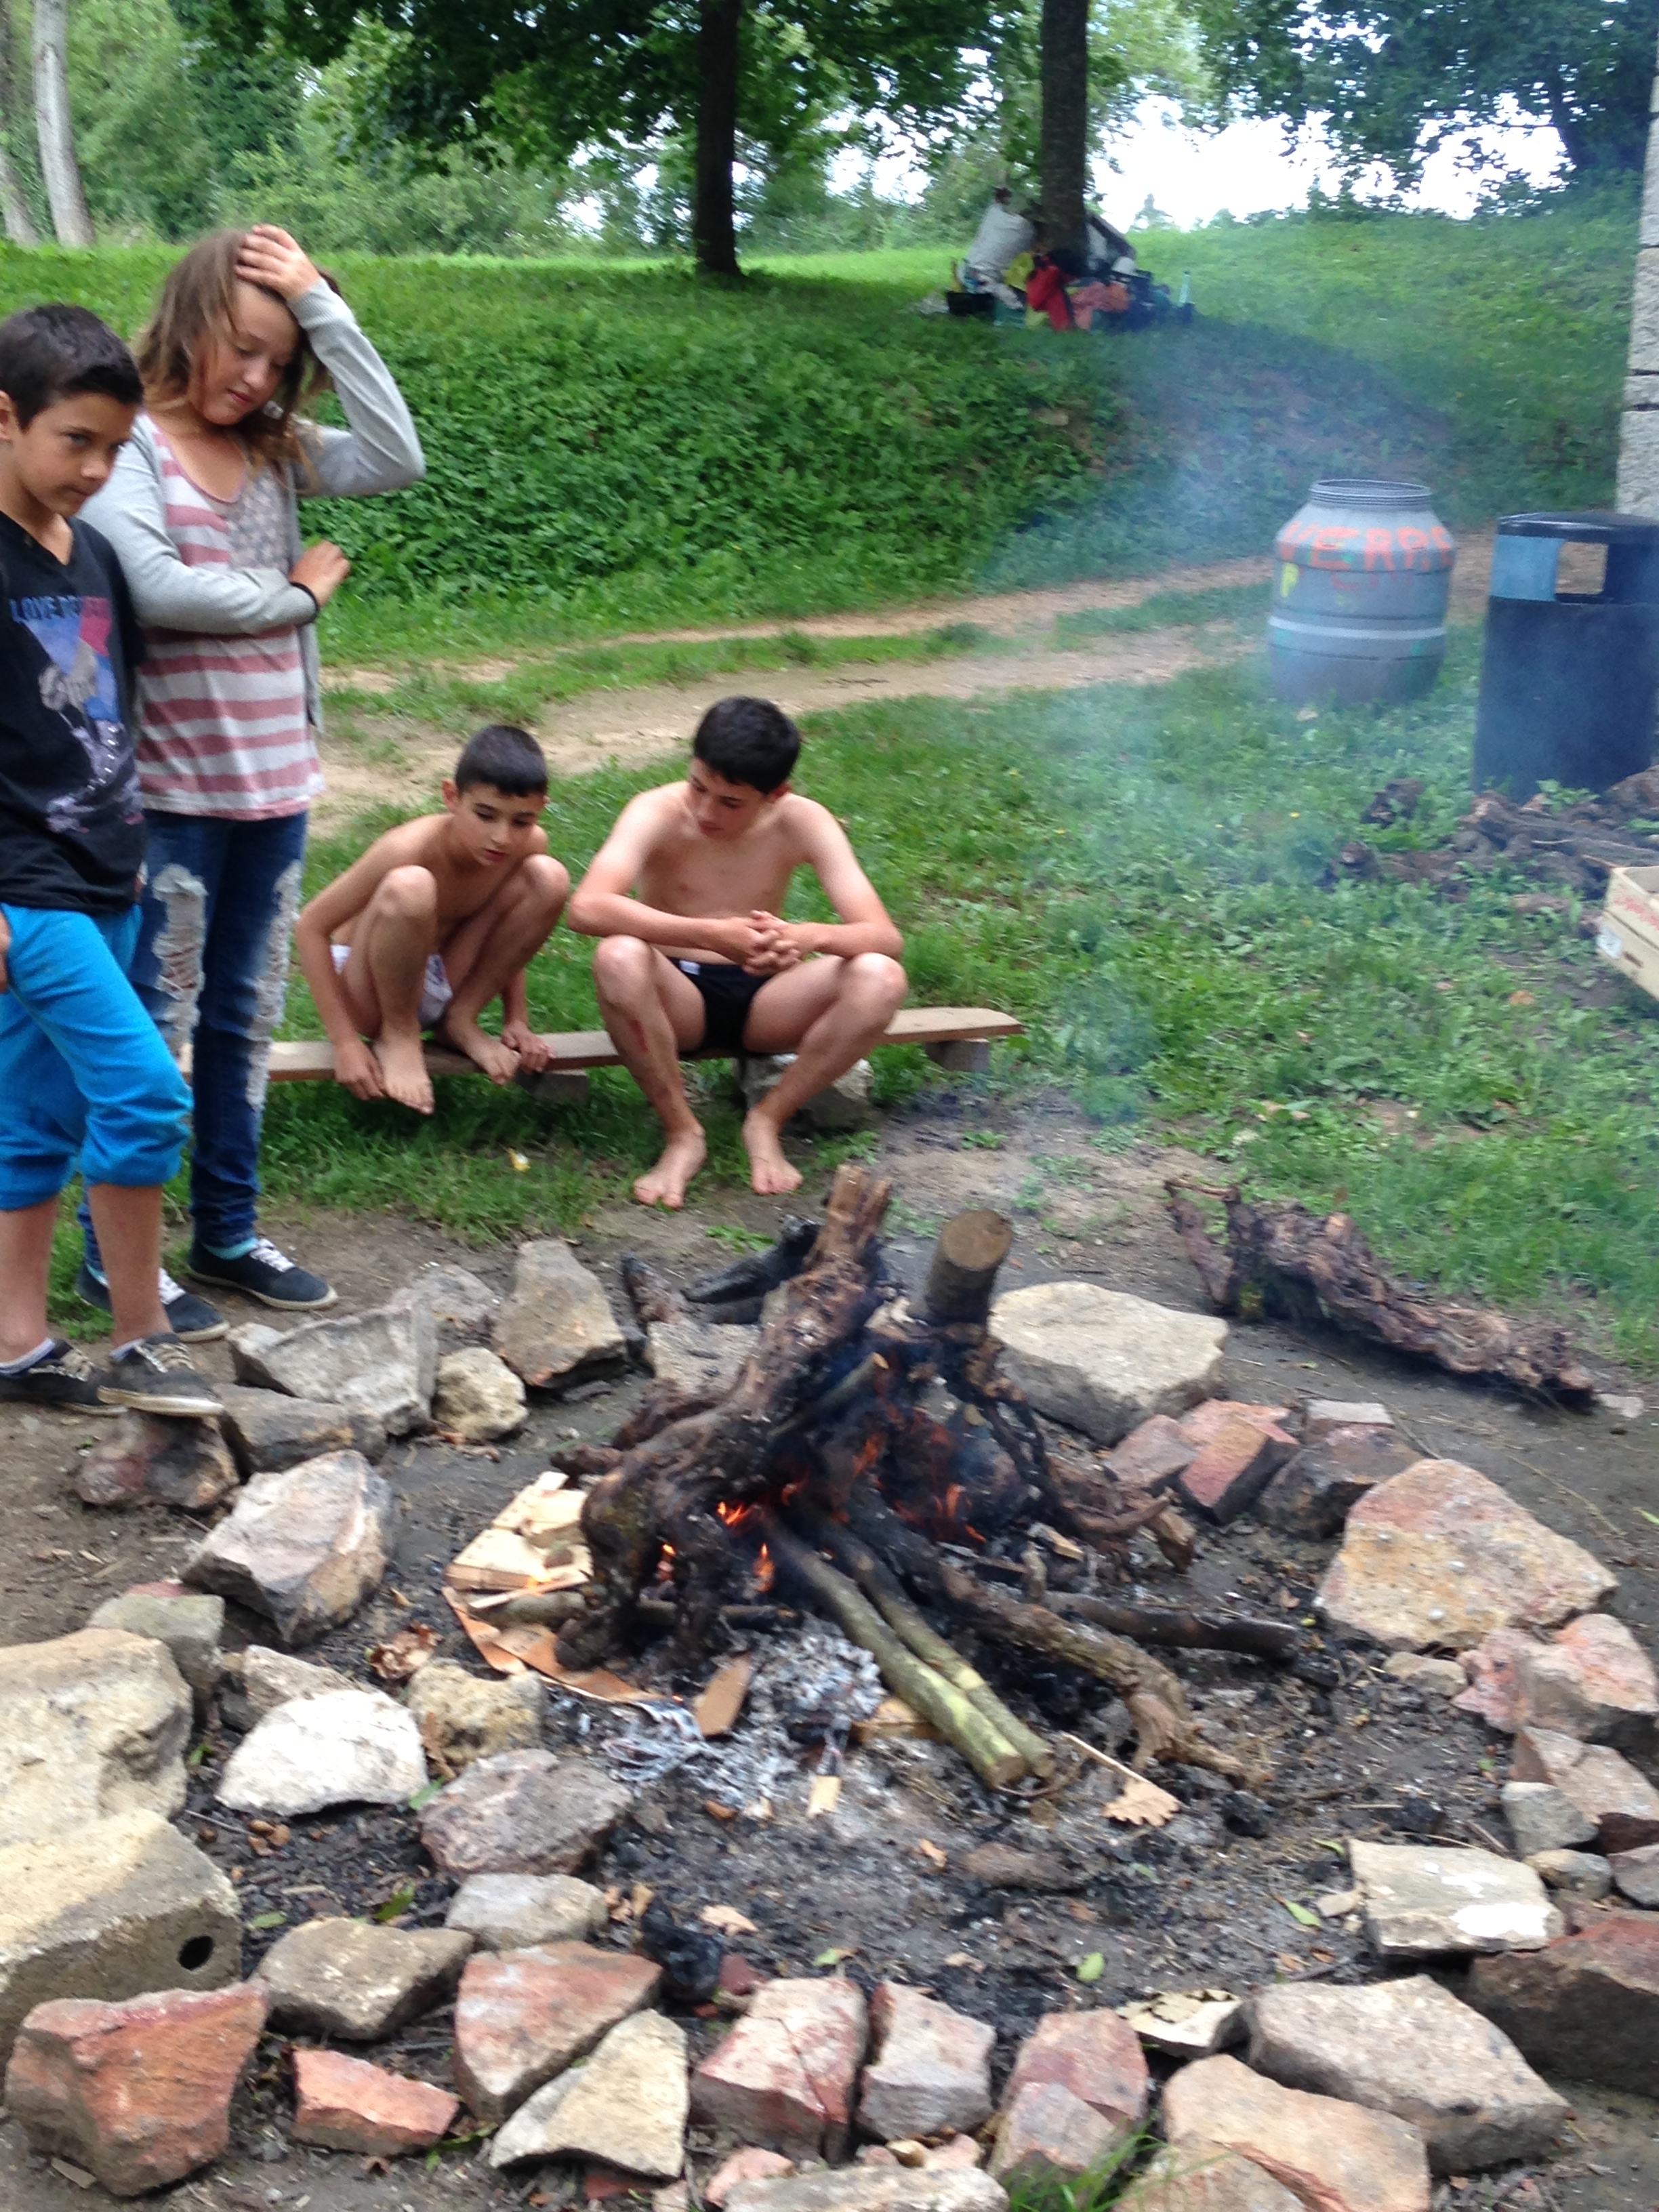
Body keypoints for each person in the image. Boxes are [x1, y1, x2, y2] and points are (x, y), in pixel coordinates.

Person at [77, 224, 425, 1327]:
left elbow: (398, 455)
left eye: (280, 359)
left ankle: (227, 1231)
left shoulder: (278, 446)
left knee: (241, 1017)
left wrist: (326, 305)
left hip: (275, 793)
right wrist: (297, 596)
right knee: (155, 1025)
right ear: (189, 321)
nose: (255, 377)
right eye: (241, 347)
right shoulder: (127, 444)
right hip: (168, 802)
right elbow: (158, 585)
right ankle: (109, 1254)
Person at [0, 304, 222, 1418]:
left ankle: (16, 1340)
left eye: (113, 448)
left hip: (105, 873)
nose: (93, 468)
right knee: (142, 1097)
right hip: (23, 891)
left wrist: (126, 844)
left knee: (32, 1113)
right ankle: (141, 1333)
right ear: (3, 416)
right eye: (72, 441)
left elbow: (104, 710)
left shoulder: (89, 552)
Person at [567, 695, 907, 1209]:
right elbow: (587, 908)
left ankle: (767, 1118)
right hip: (677, 995)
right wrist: (708, 934)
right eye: (699, 786)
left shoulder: (803, 820)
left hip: (770, 997)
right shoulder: (656, 811)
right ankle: (683, 1132)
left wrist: (811, 936)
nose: (706, 810)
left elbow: (885, 937)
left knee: (881, 978)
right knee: (618, 956)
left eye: (730, 802)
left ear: (776, 795)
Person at [293, 724, 569, 1117]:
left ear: (541, 808)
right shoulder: (409, 847)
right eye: (486, 815)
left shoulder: (526, 846)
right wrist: (345, 1044)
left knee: (549, 877)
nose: (502, 838)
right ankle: (399, 1036)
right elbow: (311, 927)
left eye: (521, 822)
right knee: (412, 886)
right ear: (452, 797)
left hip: (441, 974)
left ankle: (460, 1020)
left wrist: (517, 1019)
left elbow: (507, 932)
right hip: (370, 987)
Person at [964, 186, 1036, 309]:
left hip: (969, 270)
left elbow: (997, 202)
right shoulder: (1028, 230)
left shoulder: (993, 213)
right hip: (994, 277)